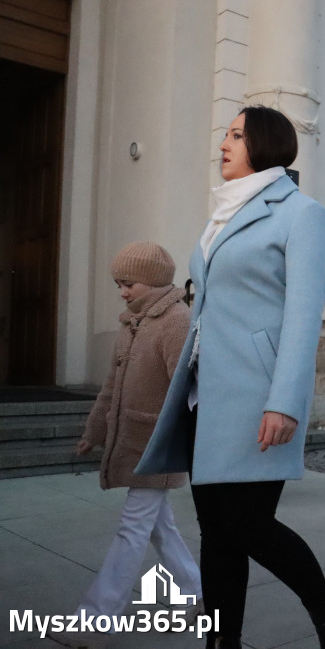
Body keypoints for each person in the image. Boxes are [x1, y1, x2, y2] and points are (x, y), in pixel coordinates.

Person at [135, 106, 325, 648]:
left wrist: (284, 402)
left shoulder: (301, 213)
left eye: (236, 134)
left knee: (248, 525)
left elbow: (304, 313)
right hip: (204, 396)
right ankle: (223, 639)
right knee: (215, 531)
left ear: (263, 142)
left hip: (258, 395)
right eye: (226, 134)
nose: (224, 143)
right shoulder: (221, 215)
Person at [49, 243, 202, 649]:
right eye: (118, 283)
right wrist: (94, 431)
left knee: (132, 528)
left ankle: (95, 621)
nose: (122, 291)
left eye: (127, 283)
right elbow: (112, 387)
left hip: (156, 446)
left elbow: (188, 389)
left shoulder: (176, 321)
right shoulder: (132, 323)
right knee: (158, 527)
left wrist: (185, 442)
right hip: (133, 441)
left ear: (151, 280)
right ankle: (196, 595)